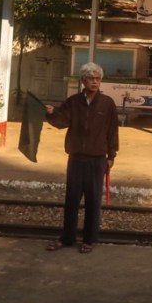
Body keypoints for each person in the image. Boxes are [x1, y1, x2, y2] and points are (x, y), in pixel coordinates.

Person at [45, 62, 119, 254]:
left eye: (98, 78)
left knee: (93, 201)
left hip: (97, 159)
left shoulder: (107, 103)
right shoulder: (73, 102)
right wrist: (51, 114)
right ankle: (67, 238)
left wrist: (111, 155)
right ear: (83, 81)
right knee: (72, 200)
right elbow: (61, 122)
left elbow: (113, 131)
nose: (95, 82)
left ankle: (89, 239)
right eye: (91, 78)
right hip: (76, 158)